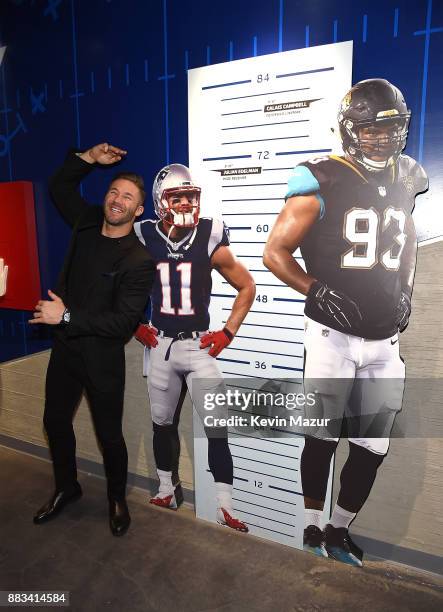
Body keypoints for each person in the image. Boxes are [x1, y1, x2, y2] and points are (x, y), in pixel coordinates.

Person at [263, 79, 428, 566]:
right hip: (332, 335)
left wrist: (406, 292)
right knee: (321, 434)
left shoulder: (408, 175)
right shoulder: (321, 176)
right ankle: (312, 525)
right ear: (348, 129)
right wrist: (317, 288)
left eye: (390, 127)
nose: (380, 138)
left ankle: (338, 529)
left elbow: (409, 241)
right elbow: (275, 252)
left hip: (384, 339)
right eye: (369, 129)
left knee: (372, 445)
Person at [30, 143, 155, 536]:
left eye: (128, 198)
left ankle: (116, 498)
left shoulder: (138, 259)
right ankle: (67, 487)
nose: (117, 200)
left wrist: (64, 315)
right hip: (66, 350)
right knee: (54, 421)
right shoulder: (85, 222)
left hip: (102, 359)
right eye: (113, 192)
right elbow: (58, 187)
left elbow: (120, 324)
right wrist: (87, 159)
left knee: (110, 436)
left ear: (138, 211)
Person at [134, 163, 256, 531]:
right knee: (161, 423)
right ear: (160, 202)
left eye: (191, 196)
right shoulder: (142, 235)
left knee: (217, 426)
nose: (187, 203)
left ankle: (225, 505)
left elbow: (246, 286)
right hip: (162, 345)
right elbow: (114, 281)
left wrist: (228, 332)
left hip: (198, 345)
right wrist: (132, 323)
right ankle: (167, 488)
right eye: (178, 197)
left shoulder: (208, 234)